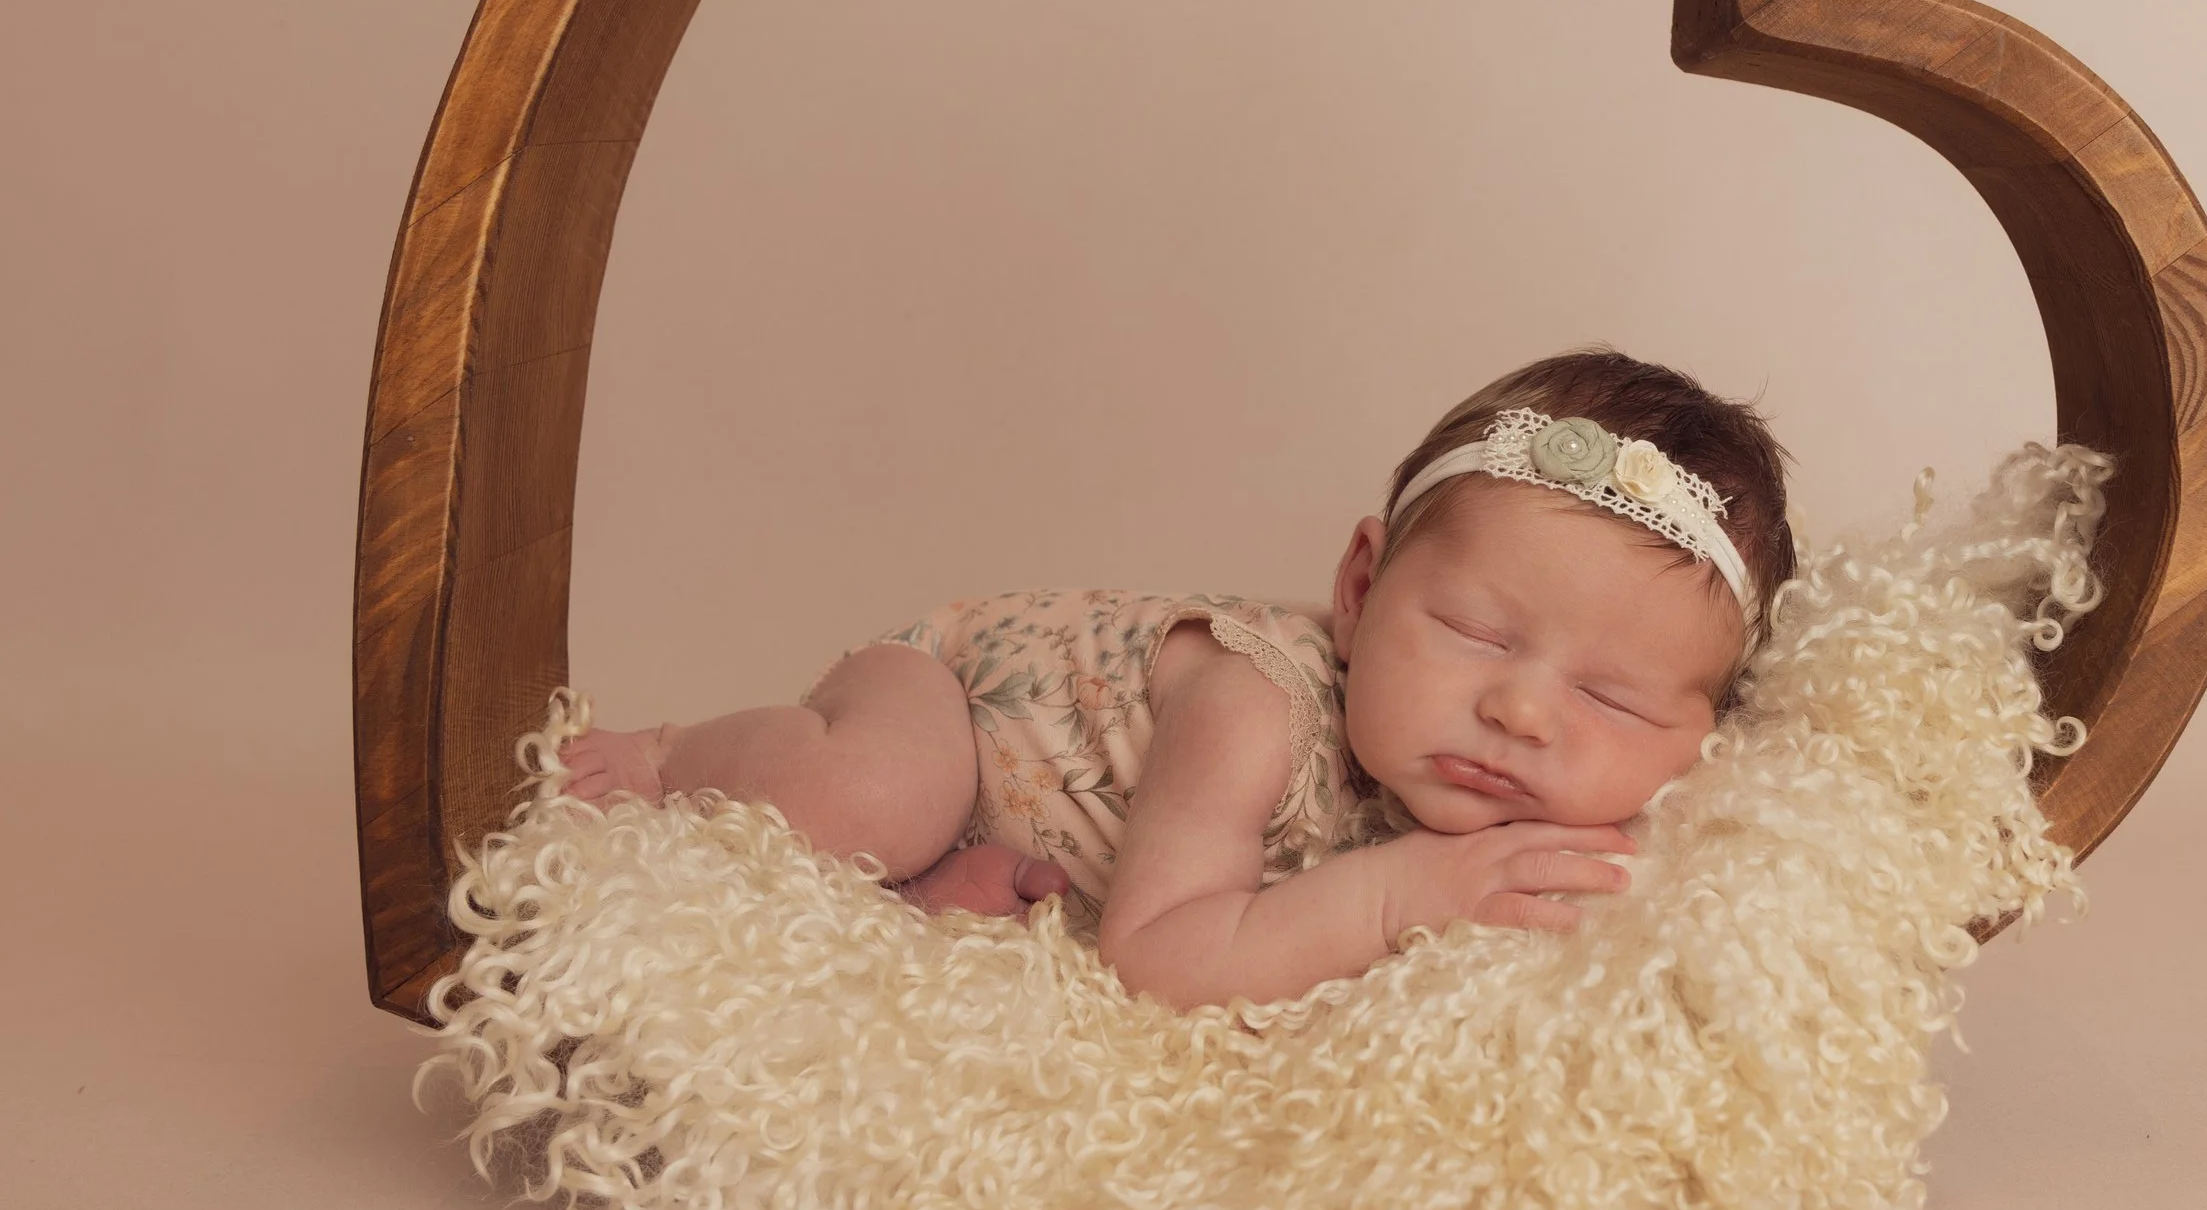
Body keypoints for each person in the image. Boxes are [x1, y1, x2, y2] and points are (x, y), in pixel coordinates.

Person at [559, 349, 1796, 1009]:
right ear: (1360, 591)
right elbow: (1155, 956)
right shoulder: (1253, 706)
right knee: (872, 803)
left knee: (974, 933)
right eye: (1474, 631)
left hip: (1059, 827)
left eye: (1615, 701)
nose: (1520, 709)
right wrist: (1399, 894)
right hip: (959, 709)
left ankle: (935, 882)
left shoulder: (1634, 808)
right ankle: (677, 756)